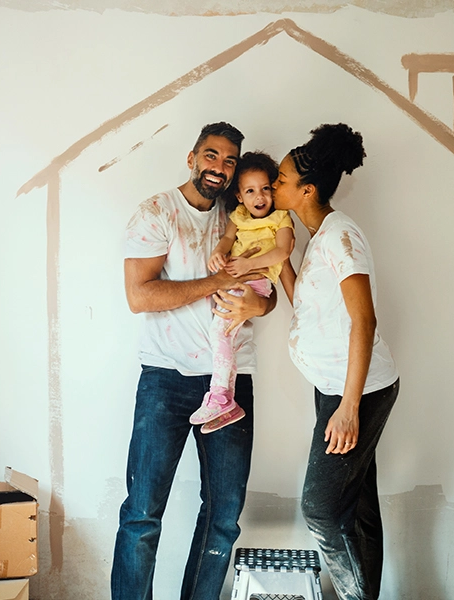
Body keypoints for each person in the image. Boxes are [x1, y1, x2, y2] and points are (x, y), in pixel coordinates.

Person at [111, 122, 277, 600]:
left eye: (229, 160)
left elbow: (270, 289)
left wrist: (258, 305)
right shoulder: (156, 212)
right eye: (211, 156)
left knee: (224, 517)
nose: (219, 168)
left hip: (230, 381)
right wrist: (215, 286)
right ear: (192, 156)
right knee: (142, 514)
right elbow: (139, 296)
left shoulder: (242, 211)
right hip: (166, 377)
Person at [272, 123, 400, 600]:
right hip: (334, 386)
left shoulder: (342, 236)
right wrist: (281, 260)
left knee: (322, 509)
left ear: (307, 190)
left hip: (358, 392)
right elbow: (308, 308)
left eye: (282, 179)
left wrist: (348, 408)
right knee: (358, 505)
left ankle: (352, 595)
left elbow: (363, 321)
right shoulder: (319, 236)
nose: (274, 185)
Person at [190, 151, 294, 433]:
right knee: (226, 336)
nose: (259, 197)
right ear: (239, 195)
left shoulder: (281, 218)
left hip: (256, 281)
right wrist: (218, 254)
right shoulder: (238, 216)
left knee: (219, 333)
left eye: (265, 189)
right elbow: (227, 239)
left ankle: (219, 396)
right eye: (250, 191)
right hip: (235, 281)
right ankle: (226, 401)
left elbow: (283, 250)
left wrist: (249, 263)